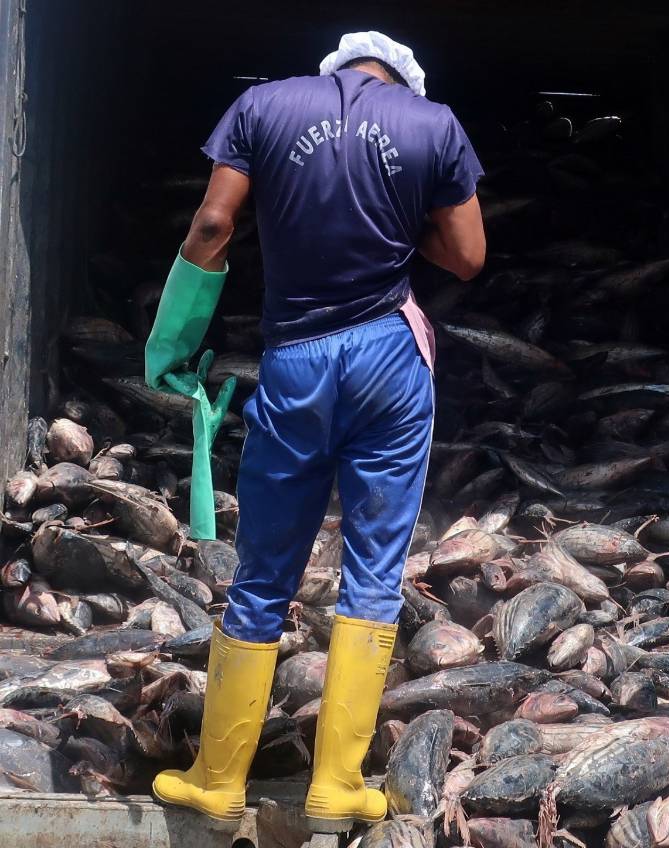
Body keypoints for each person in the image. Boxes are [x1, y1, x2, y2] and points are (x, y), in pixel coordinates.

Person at [143, 32, 485, 831]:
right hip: (390, 358)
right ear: (400, 77)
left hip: (294, 360)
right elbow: (468, 256)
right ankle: (338, 784)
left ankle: (219, 780)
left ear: (336, 69)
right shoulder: (433, 123)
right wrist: (405, 231)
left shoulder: (261, 105)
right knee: (374, 567)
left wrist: (175, 337)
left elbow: (212, 226)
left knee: (264, 572)